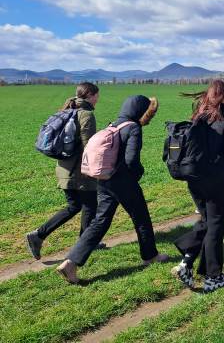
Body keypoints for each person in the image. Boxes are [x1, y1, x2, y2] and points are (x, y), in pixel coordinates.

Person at [56, 95, 168, 283]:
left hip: (104, 180)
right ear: (140, 111)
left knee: (100, 222)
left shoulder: (112, 125)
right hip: (123, 182)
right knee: (141, 217)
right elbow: (131, 160)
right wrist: (138, 173)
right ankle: (150, 256)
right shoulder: (133, 128)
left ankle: (70, 262)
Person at [172, 80, 224, 292]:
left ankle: (186, 263)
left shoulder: (196, 119)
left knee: (207, 221)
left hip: (194, 180)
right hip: (216, 182)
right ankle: (213, 277)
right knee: (215, 226)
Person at [26, 83, 106, 260]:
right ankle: (85, 245)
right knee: (89, 206)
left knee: (75, 206)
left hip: (63, 169)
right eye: (97, 96)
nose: (98, 99)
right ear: (91, 95)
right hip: (80, 171)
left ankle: (38, 235)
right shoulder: (86, 115)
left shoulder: (67, 110)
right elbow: (89, 147)